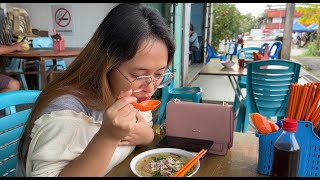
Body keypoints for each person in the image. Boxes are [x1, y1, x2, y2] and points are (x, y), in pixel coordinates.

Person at [16, 3, 175, 177]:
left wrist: (147, 136)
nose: (151, 87)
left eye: (159, 74)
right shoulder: (66, 111)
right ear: (106, 64)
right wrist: (108, 137)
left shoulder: (128, 96)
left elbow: (141, 130)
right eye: (139, 75)